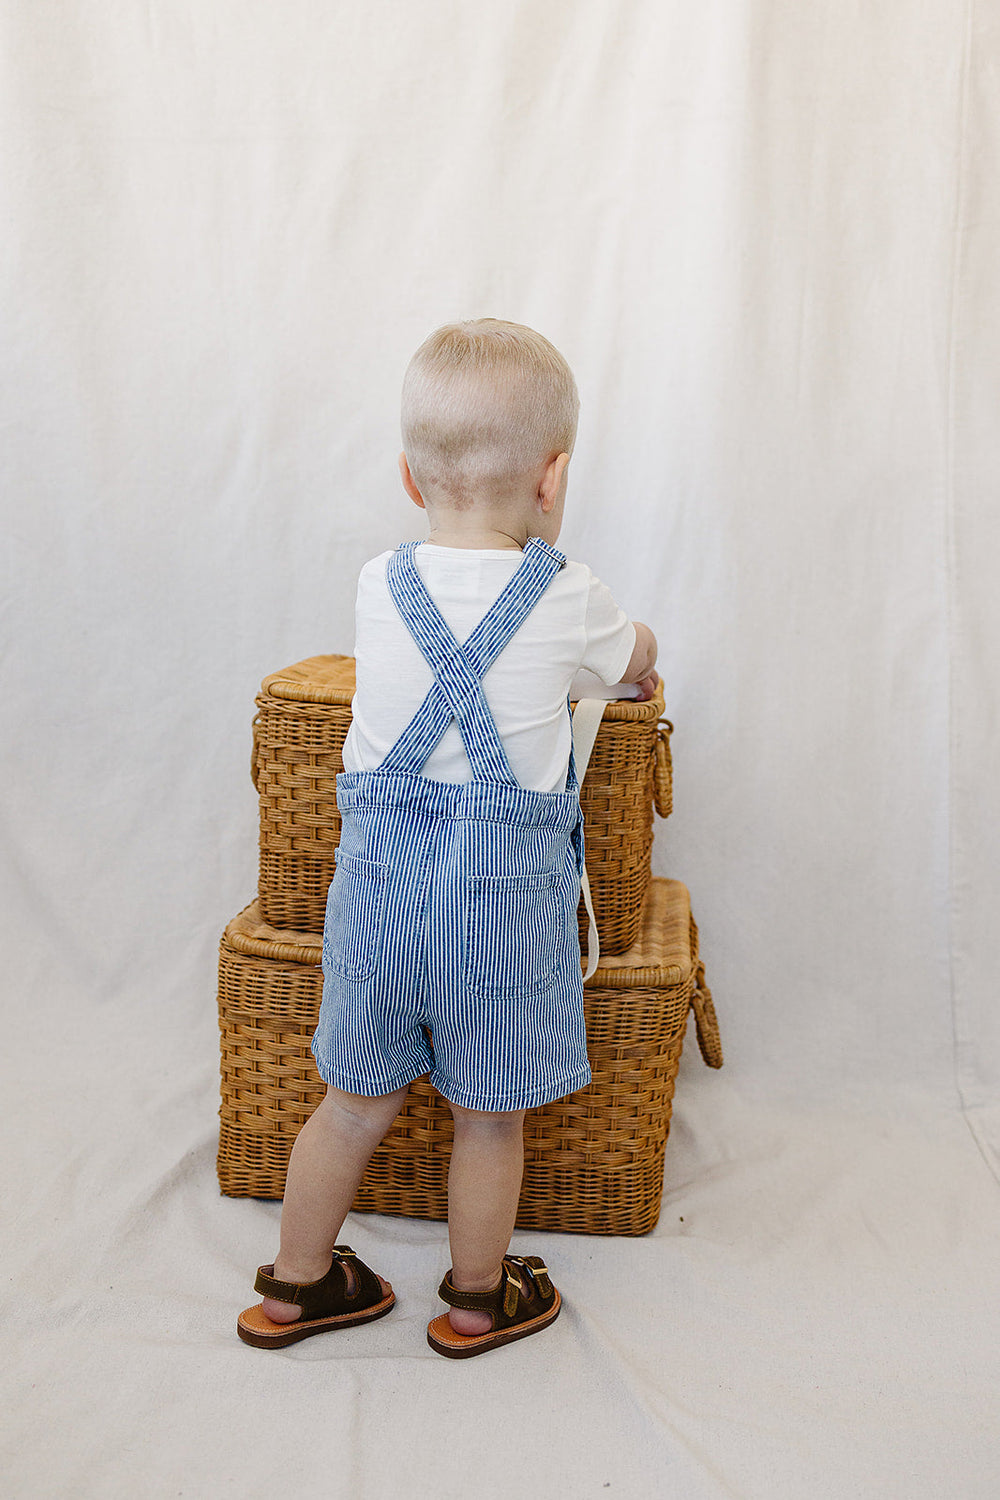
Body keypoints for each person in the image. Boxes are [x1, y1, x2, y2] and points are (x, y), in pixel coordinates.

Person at [237, 319, 657, 1358]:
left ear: (408, 476)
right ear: (553, 478)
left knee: (347, 1108)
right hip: (498, 921)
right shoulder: (569, 594)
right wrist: (637, 657)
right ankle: (476, 1300)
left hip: (376, 907)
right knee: (490, 1120)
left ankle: (295, 1287)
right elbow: (633, 662)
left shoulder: (379, 585)